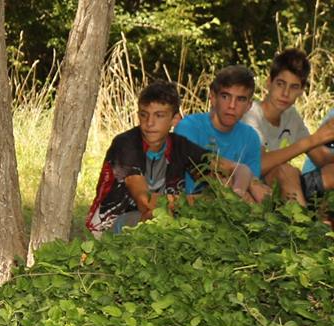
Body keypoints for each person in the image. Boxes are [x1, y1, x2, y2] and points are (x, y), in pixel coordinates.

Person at [87, 80, 265, 235]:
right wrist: (209, 200)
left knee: (243, 187)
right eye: (144, 114)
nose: (149, 123)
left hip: (164, 218)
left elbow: (240, 168)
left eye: (159, 116)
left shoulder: (180, 145)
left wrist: (238, 192)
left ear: (174, 119)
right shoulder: (126, 143)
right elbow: (145, 202)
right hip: (112, 225)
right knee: (154, 216)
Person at [240, 48, 334, 206]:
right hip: (248, 188)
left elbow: (321, 159)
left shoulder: (291, 116)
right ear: (268, 83)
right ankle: (302, 226)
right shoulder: (250, 114)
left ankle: (312, 213)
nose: (285, 93)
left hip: (284, 190)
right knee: (285, 170)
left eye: (294, 87)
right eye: (280, 84)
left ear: (302, 91)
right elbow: (258, 165)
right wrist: (313, 140)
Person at [173, 65, 270, 202]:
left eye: (240, 99)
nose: (232, 105)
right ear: (212, 97)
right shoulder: (188, 127)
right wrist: (239, 189)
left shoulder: (251, 137)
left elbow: (253, 185)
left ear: (248, 105)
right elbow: (204, 177)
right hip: (192, 206)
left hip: (236, 209)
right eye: (225, 96)